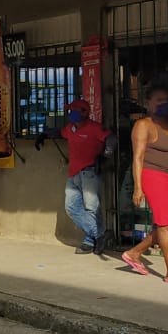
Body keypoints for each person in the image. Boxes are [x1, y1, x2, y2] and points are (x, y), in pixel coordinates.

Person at [121, 85, 168, 287]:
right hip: (154, 176)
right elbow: (138, 157)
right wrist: (138, 187)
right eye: (158, 100)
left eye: (166, 100)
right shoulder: (144, 125)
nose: (163, 103)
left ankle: (134, 253)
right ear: (147, 103)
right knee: (164, 225)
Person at [60, 98, 114, 255]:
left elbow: (111, 139)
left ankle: (90, 241)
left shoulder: (95, 128)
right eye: (70, 110)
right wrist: (44, 134)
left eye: (75, 110)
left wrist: (104, 156)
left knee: (91, 208)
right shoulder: (71, 128)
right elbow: (60, 133)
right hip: (74, 173)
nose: (71, 113)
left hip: (89, 173)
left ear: (85, 112)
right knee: (71, 207)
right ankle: (100, 234)